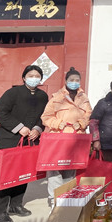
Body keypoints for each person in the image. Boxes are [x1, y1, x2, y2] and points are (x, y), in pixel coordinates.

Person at [0, 65, 48, 222]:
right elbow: (0, 113)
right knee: (6, 176)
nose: (34, 78)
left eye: (37, 76)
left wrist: (38, 129)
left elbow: (43, 116)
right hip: (10, 140)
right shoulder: (12, 93)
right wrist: (19, 128)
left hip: (30, 141)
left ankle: (16, 205)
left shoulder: (43, 96)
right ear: (24, 77)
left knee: (23, 175)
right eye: (31, 75)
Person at [41, 67, 92, 207]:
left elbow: (89, 116)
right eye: (71, 80)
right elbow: (45, 117)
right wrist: (59, 124)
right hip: (58, 139)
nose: (74, 82)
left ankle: (67, 197)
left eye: (77, 80)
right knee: (55, 170)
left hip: (76, 139)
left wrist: (81, 123)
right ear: (66, 81)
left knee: (70, 169)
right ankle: (54, 199)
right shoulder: (56, 97)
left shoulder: (84, 98)